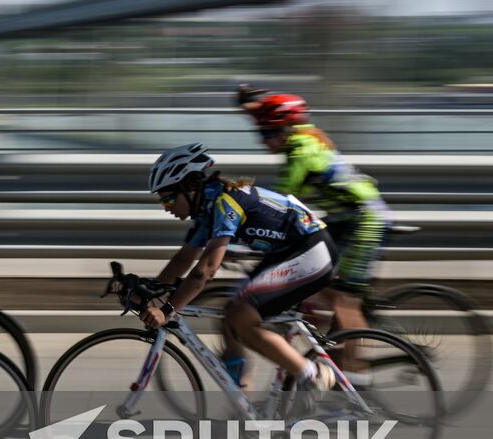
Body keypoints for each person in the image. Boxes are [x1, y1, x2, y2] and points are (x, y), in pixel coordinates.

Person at [137, 142, 340, 393]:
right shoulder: (206, 209)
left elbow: (206, 270)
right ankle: (241, 398)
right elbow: (183, 260)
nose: (166, 207)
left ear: (190, 187)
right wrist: (148, 290)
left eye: (168, 197)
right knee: (230, 315)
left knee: (242, 315)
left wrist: (167, 309)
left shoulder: (225, 202)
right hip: (287, 252)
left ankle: (312, 375)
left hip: (311, 250)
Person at [236, 85, 392, 338]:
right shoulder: (301, 135)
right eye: (260, 131)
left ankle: (356, 375)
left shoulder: (301, 152)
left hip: (364, 220)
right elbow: (270, 116)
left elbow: (280, 204)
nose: (262, 139)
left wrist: (243, 235)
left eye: (267, 133)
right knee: (313, 269)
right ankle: (327, 330)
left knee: (344, 301)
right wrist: (246, 106)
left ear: (286, 130)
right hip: (346, 218)